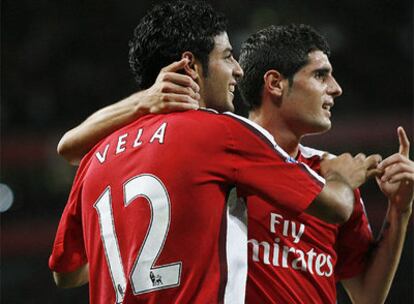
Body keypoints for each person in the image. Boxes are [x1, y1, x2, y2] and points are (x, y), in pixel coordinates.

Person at [49, 2, 379, 304]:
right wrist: (342, 177)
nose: (237, 70)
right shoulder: (220, 133)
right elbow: (335, 206)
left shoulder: (96, 156)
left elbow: (66, 273)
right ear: (190, 64)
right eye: (226, 56)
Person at [237, 24, 413, 303]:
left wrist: (399, 210)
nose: (336, 89)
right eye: (320, 75)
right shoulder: (224, 161)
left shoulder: (333, 174)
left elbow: (367, 296)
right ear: (275, 83)